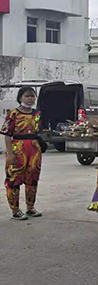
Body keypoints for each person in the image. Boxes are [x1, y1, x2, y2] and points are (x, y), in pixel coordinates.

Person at [1, 87, 43, 220]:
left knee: (33, 178)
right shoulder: (13, 114)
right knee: (14, 178)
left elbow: (38, 131)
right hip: (17, 149)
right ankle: (15, 210)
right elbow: (7, 135)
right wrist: (10, 154)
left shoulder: (37, 113)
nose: (30, 99)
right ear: (20, 98)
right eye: (27, 96)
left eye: (32, 96)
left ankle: (30, 208)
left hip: (34, 150)